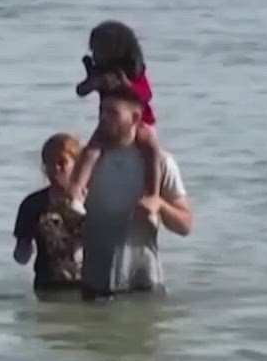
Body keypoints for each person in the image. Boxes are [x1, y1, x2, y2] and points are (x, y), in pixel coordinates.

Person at [78, 88, 191, 300]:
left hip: (143, 286)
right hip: (94, 288)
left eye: (113, 113)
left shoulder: (161, 163)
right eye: (101, 111)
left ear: (136, 117)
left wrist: (160, 205)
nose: (103, 119)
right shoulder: (88, 163)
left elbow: (185, 225)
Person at [63, 20, 161, 218]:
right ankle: (76, 192)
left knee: (150, 147)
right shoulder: (101, 70)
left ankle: (152, 195)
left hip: (139, 121)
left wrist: (124, 84)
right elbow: (81, 90)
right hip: (109, 123)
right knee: (90, 151)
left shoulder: (133, 70)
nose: (96, 54)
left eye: (100, 49)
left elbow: (145, 96)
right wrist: (95, 82)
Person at [14, 133, 86, 297]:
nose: (55, 169)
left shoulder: (93, 201)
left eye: (62, 163)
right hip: (47, 287)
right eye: (49, 163)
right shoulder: (32, 204)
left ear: (78, 164)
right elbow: (21, 256)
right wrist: (24, 245)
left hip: (87, 286)